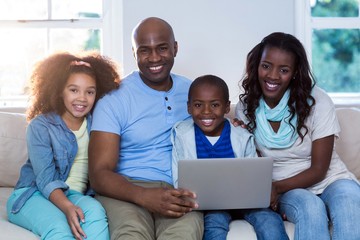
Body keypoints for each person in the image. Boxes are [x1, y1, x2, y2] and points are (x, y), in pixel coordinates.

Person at [236, 32, 360, 240]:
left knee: (350, 203)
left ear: (294, 72)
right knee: (310, 208)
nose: (273, 76)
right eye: (266, 65)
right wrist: (234, 134)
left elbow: (319, 170)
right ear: (257, 65)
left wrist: (274, 188)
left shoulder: (318, 101)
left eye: (283, 70)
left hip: (331, 179)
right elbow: (253, 164)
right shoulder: (246, 107)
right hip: (290, 189)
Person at [88, 17, 203, 240]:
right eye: (144, 50)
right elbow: (99, 174)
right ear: (134, 53)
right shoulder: (114, 99)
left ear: (175, 48)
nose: (154, 58)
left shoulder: (195, 93)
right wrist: (143, 195)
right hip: (126, 188)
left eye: (162, 48)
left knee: (185, 234)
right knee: (132, 234)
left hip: (179, 189)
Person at [6, 51, 120, 240]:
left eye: (89, 92)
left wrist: (73, 203)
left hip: (75, 195)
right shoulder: (40, 126)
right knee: (60, 229)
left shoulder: (98, 124)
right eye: (74, 90)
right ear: (60, 90)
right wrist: (68, 208)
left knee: (96, 213)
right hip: (33, 194)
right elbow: (45, 179)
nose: (82, 98)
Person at [171, 74, 289, 240]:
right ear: (188, 107)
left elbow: (255, 175)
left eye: (215, 105)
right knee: (214, 226)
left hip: (248, 202)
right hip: (212, 206)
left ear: (227, 107)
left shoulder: (242, 135)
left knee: (270, 222)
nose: (206, 112)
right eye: (198, 105)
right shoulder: (182, 136)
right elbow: (179, 181)